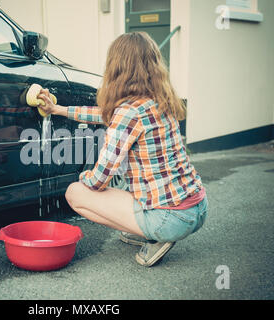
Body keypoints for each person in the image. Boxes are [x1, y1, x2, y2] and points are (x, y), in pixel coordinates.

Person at [37, 32, 208, 267]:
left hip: (171, 218)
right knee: (130, 182)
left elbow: (99, 180)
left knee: (75, 193)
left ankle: (155, 236)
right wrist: (59, 109)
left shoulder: (128, 112)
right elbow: (106, 114)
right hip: (197, 207)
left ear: (116, 68)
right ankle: (146, 228)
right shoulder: (160, 100)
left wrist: (82, 177)